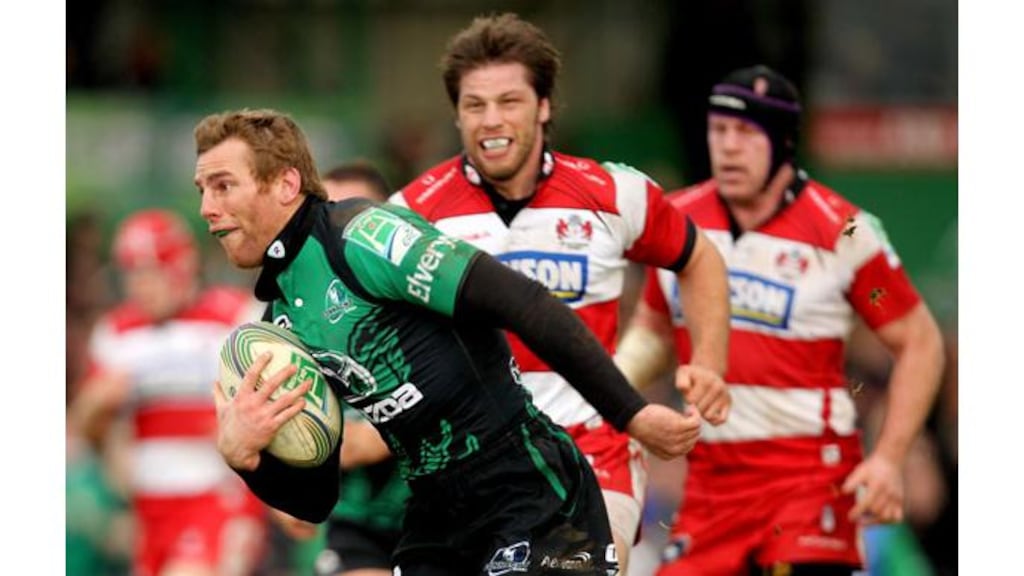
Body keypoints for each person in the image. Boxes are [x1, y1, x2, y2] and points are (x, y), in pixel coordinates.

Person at [192, 107, 704, 576]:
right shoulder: (280, 321)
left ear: (285, 184)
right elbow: (318, 497)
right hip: (434, 521)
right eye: (202, 190)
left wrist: (631, 412)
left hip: (526, 491)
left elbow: (523, 302)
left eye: (222, 186)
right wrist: (246, 457)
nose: (207, 208)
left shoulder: (365, 235)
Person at [388, 13, 732, 572]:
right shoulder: (413, 216)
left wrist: (711, 363)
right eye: (475, 105)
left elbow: (700, 258)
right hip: (469, 468)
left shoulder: (612, 194)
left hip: (593, 454)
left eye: (510, 101)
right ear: (456, 114)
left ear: (544, 106)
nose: (491, 120)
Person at [616, 64, 946, 575]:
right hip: (711, 488)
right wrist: (607, 395)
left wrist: (887, 458)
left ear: (785, 140)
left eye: (746, 133)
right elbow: (654, 332)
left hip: (808, 484)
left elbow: (920, 342)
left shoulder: (846, 230)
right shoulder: (675, 220)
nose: (728, 147)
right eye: (718, 130)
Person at [68, 209, 268, 576]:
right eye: (131, 274)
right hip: (148, 505)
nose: (140, 286)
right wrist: (96, 403)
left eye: (151, 272)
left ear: (183, 265)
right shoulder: (116, 332)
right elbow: (86, 429)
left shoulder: (236, 316)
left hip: (216, 495)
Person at [268, 161, 412, 576]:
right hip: (357, 524)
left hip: (442, 520)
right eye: (326, 214)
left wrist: (304, 455)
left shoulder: (423, 311)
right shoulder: (293, 318)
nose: (338, 231)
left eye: (353, 216)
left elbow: (372, 442)